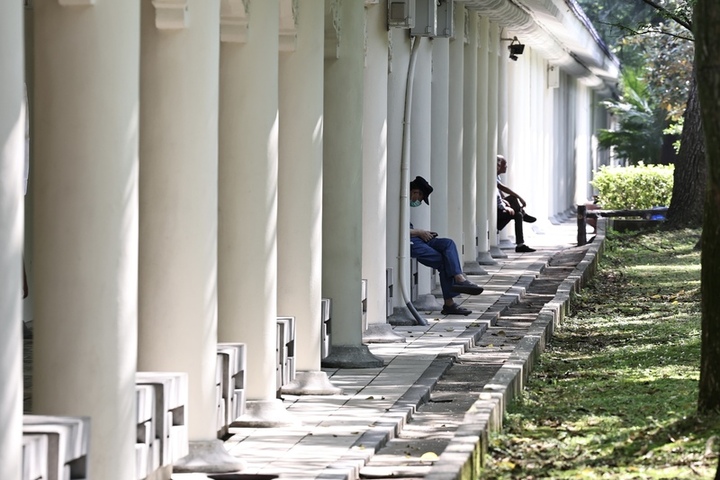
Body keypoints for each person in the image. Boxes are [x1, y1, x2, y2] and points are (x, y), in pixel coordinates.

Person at [409, 176, 483, 316]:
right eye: (420, 198)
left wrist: (422, 233)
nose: (417, 201)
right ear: (415, 192)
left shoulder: (405, 202)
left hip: (417, 237)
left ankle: (458, 277)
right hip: (410, 241)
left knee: (448, 243)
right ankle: (450, 302)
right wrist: (419, 232)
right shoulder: (397, 202)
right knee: (445, 262)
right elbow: (396, 232)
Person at [496, 155, 536, 253]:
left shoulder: (497, 176)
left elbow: (500, 194)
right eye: (504, 164)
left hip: (499, 208)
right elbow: (500, 190)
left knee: (518, 215)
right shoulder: (491, 176)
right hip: (495, 213)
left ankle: (520, 245)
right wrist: (518, 198)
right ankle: (523, 214)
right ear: (498, 165)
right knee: (514, 198)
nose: (506, 167)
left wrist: (504, 201)